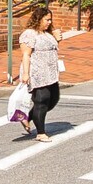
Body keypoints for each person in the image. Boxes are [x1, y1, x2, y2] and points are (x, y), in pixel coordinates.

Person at [15, 11, 65, 141]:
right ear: (38, 19)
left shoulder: (47, 34)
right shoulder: (29, 34)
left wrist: (56, 39)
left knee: (53, 99)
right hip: (36, 72)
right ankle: (41, 133)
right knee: (42, 101)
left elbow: (51, 49)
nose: (49, 22)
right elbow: (26, 54)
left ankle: (28, 117)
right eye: (46, 20)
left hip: (51, 73)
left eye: (50, 20)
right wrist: (26, 74)